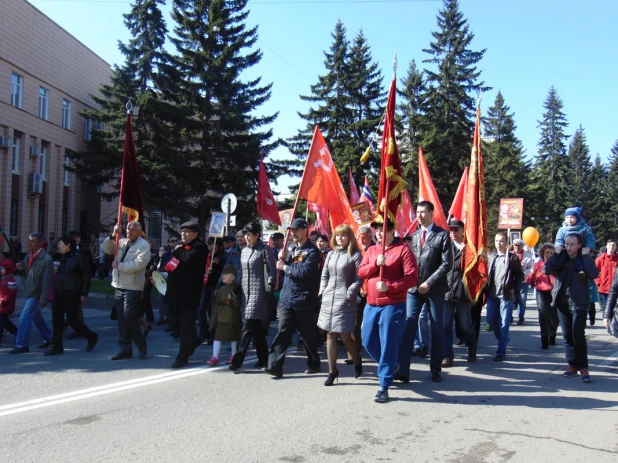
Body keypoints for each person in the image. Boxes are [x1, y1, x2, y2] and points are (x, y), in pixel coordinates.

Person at [358, 219, 417, 403]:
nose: (379, 234)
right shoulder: (372, 250)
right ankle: (392, 366)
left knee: (388, 343)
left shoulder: (403, 251)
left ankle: (384, 385)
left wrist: (390, 287)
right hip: (371, 303)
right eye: (376, 231)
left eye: (383, 231)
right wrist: (376, 263)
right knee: (367, 341)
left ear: (392, 231)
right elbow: (361, 271)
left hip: (393, 304)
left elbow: (412, 278)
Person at [396, 200, 452, 383]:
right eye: (417, 212)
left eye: (422, 212)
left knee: (436, 328)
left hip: (434, 289)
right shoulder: (415, 234)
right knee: (408, 325)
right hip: (414, 289)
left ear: (430, 213)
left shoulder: (442, 235)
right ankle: (403, 369)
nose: (418, 215)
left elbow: (446, 264)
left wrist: (429, 282)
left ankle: (436, 369)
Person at [264, 218, 322, 378]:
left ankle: (314, 362)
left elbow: (303, 273)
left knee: (308, 334)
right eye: (292, 230)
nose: (293, 233)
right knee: (282, 331)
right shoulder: (291, 249)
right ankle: (274, 365)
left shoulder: (312, 251)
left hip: (303, 299)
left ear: (305, 230)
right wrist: (282, 259)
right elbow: (288, 268)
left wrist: (285, 267)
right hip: (286, 298)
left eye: (296, 230)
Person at [545, 233, 599, 382]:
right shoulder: (561, 259)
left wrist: (586, 256)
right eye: (567, 244)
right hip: (562, 302)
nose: (569, 247)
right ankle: (572, 365)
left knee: (578, 334)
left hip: (579, 303)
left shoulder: (584, 259)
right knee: (567, 335)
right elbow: (546, 269)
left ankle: (584, 367)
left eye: (572, 244)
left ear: (579, 245)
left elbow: (594, 274)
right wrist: (556, 253)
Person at [317, 224, 363, 386]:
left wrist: (349, 293)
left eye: (343, 235)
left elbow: (359, 279)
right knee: (330, 334)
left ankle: (357, 361)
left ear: (349, 237)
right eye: (337, 235)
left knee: (344, 335)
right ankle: (332, 371)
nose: (340, 238)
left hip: (345, 299)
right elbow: (324, 276)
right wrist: (322, 292)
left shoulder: (355, 255)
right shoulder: (330, 254)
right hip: (329, 298)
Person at [229, 222, 276, 371]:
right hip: (245, 292)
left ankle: (236, 361)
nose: (246, 238)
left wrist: (270, 284)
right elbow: (241, 272)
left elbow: (272, 269)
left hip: (259, 292)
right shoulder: (244, 251)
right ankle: (264, 358)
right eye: (245, 235)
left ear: (257, 235)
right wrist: (235, 288)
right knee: (256, 329)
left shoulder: (264, 249)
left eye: (249, 235)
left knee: (248, 325)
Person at [102, 221, 151, 360]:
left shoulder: (144, 245)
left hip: (133, 286)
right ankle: (125, 349)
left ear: (139, 232)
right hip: (118, 284)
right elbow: (107, 249)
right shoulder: (121, 241)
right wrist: (113, 235)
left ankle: (141, 345)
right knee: (121, 319)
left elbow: (139, 264)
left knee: (129, 317)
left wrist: (120, 266)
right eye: (128, 230)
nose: (129, 232)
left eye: (132, 230)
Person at [44, 235, 98, 356]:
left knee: (73, 320)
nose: (58, 246)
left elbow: (86, 276)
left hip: (72, 293)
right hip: (60, 292)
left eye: (60, 244)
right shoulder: (62, 258)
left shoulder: (79, 257)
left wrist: (84, 293)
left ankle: (91, 336)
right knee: (56, 319)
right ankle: (57, 346)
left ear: (68, 245)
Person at [165, 222, 208, 368]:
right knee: (173, 323)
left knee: (185, 327)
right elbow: (174, 265)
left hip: (189, 294)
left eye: (187, 231)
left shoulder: (200, 247)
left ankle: (182, 357)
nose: (183, 234)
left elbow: (188, 259)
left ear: (195, 233)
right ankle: (194, 340)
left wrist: (177, 251)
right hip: (174, 293)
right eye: (182, 231)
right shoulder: (181, 247)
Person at [10, 232, 53, 354]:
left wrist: (44, 299)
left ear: (40, 243)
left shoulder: (46, 259)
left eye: (32, 241)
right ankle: (48, 337)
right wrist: (20, 269)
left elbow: (46, 280)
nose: (29, 243)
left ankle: (22, 344)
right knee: (35, 316)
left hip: (36, 293)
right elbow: (26, 275)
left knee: (25, 317)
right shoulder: (28, 256)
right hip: (28, 290)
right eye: (29, 241)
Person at [442, 219, 477, 366]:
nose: (453, 232)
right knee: (445, 325)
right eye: (451, 230)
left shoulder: (471, 248)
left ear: (463, 231)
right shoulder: (446, 247)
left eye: (456, 230)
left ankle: (472, 348)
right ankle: (447, 355)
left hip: (463, 292)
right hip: (447, 290)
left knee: (465, 325)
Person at [485, 232, 524, 361]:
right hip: (492, 294)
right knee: (491, 321)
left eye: (501, 241)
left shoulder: (512, 258)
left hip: (506, 295)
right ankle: (504, 338)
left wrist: (512, 287)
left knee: (504, 323)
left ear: (506, 243)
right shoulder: (492, 256)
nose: (499, 244)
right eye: (496, 241)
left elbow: (520, 276)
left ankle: (501, 351)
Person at [346, 226, 374, 365]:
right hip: (357, 291)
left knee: (372, 323)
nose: (362, 240)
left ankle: (374, 351)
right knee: (354, 323)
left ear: (370, 237)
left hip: (373, 291)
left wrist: (367, 287)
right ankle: (353, 354)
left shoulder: (376, 249)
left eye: (364, 237)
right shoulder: (355, 251)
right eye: (360, 237)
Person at [526, 243, 558, 349]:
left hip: (554, 292)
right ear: (542, 253)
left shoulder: (558, 265)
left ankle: (552, 335)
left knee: (553, 316)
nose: (549, 255)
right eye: (547, 253)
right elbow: (529, 281)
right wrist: (531, 273)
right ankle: (544, 340)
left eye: (551, 253)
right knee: (543, 314)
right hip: (541, 291)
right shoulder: (537, 265)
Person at [208, 265, 242, 365]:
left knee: (233, 337)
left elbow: (237, 305)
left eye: (226, 275)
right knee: (218, 337)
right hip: (221, 317)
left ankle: (233, 354)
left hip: (232, 317)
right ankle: (215, 357)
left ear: (233, 277)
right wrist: (213, 320)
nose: (223, 276)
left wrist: (234, 297)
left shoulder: (236, 289)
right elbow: (216, 305)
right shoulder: (221, 289)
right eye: (223, 274)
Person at [197, 237, 226, 344]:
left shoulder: (221, 257)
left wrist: (214, 271)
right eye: (207, 243)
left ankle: (213, 335)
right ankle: (203, 333)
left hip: (215, 285)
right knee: (201, 309)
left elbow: (224, 272)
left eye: (210, 243)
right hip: (205, 284)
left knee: (214, 310)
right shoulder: (206, 255)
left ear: (216, 245)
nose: (208, 245)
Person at [512, 239, 534, 325]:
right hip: (512, 282)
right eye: (515, 245)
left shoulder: (527, 255)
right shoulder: (509, 254)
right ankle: (509, 317)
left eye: (519, 245)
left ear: (522, 246)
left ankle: (521, 317)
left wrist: (522, 273)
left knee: (522, 300)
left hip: (523, 282)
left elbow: (531, 268)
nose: (517, 247)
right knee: (510, 300)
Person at [595, 239, 618, 319]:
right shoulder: (600, 259)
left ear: (616, 247)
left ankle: (613, 322)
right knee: (606, 307)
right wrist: (599, 282)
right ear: (607, 246)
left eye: (613, 245)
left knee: (615, 308)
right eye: (610, 245)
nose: (611, 247)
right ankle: (607, 321)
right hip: (604, 288)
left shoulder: (617, 259)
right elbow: (594, 272)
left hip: (615, 289)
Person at [0, 258, 18, 346]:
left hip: (5, 305)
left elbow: (12, 293)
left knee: (1, 322)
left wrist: (3, 301)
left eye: (3, 268)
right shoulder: (2, 279)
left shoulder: (10, 280)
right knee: (5, 321)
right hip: (2, 304)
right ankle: (15, 331)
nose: (1, 270)